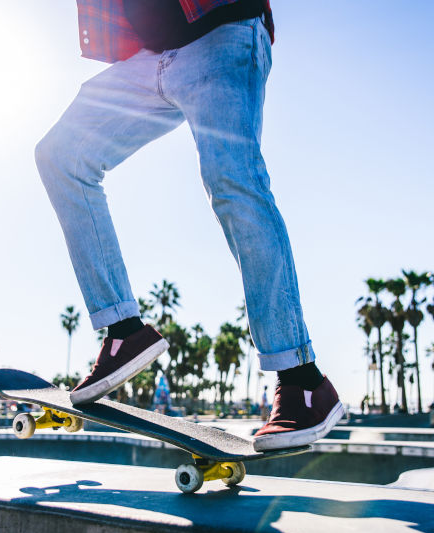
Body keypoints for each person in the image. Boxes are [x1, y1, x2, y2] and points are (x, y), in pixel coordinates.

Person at [35, 0, 343, 450]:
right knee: (61, 156)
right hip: (148, 58)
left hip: (223, 34)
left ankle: (303, 381)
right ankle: (124, 331)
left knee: (233, 180)